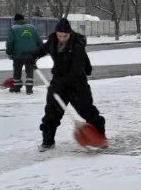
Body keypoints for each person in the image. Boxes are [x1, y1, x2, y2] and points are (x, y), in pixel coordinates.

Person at [35, 18, 105, 151]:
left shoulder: (77, 46)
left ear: (70, 34)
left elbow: (77, 69)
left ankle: (100, 138)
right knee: (51, 113)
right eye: (59, 35)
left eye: (64, 36)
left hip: (77, 83)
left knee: (87, 111)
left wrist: (60, 83)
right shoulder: (52, 41)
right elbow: (42, 50)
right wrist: (32, 57)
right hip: (58, 82)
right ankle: (48, 141)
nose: (61, 38)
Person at [5, 12, 43, 94]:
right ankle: (29, 89)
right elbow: (39, 41)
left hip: (18, 55)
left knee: (17, 72)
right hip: (31, 55)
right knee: (29, 72)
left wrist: (9, 52)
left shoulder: (13, 28)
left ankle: (17, 88)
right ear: (23, 19)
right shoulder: (33, 28)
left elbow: (10, 42)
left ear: (15, 20)